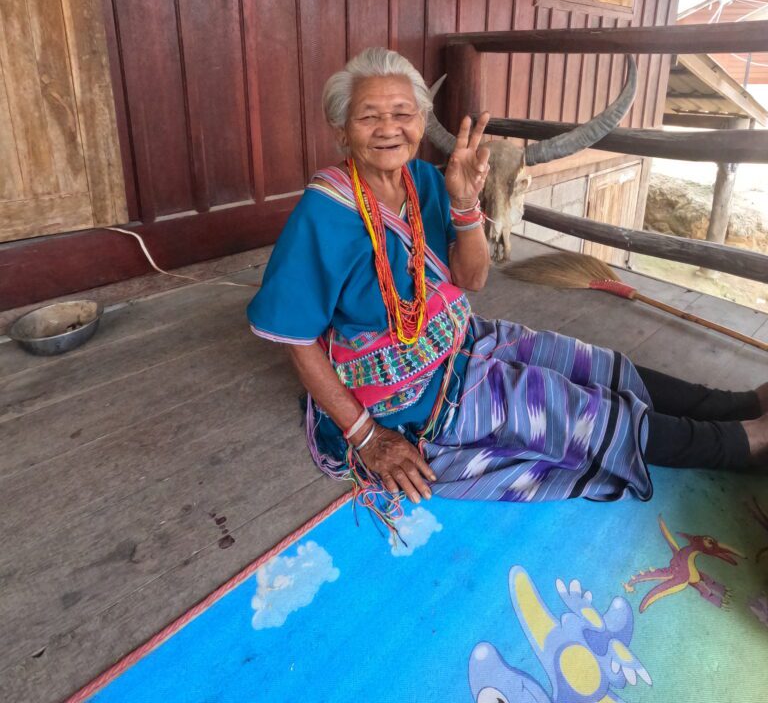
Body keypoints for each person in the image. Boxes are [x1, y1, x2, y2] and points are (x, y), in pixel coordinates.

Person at [247, 48, 767, 524]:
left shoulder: (425, 180)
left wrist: (465, 200)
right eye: (369, 116)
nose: (389, 128)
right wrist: (365, 436)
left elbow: (471, 279)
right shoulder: (323, 211)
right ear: (342, 130)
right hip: (407, 391)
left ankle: (735, 404)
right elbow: (295, 337)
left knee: (589, 362)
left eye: (403, 114)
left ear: (422, 121)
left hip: (460, 337)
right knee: (571, 410)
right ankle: (745, 443)